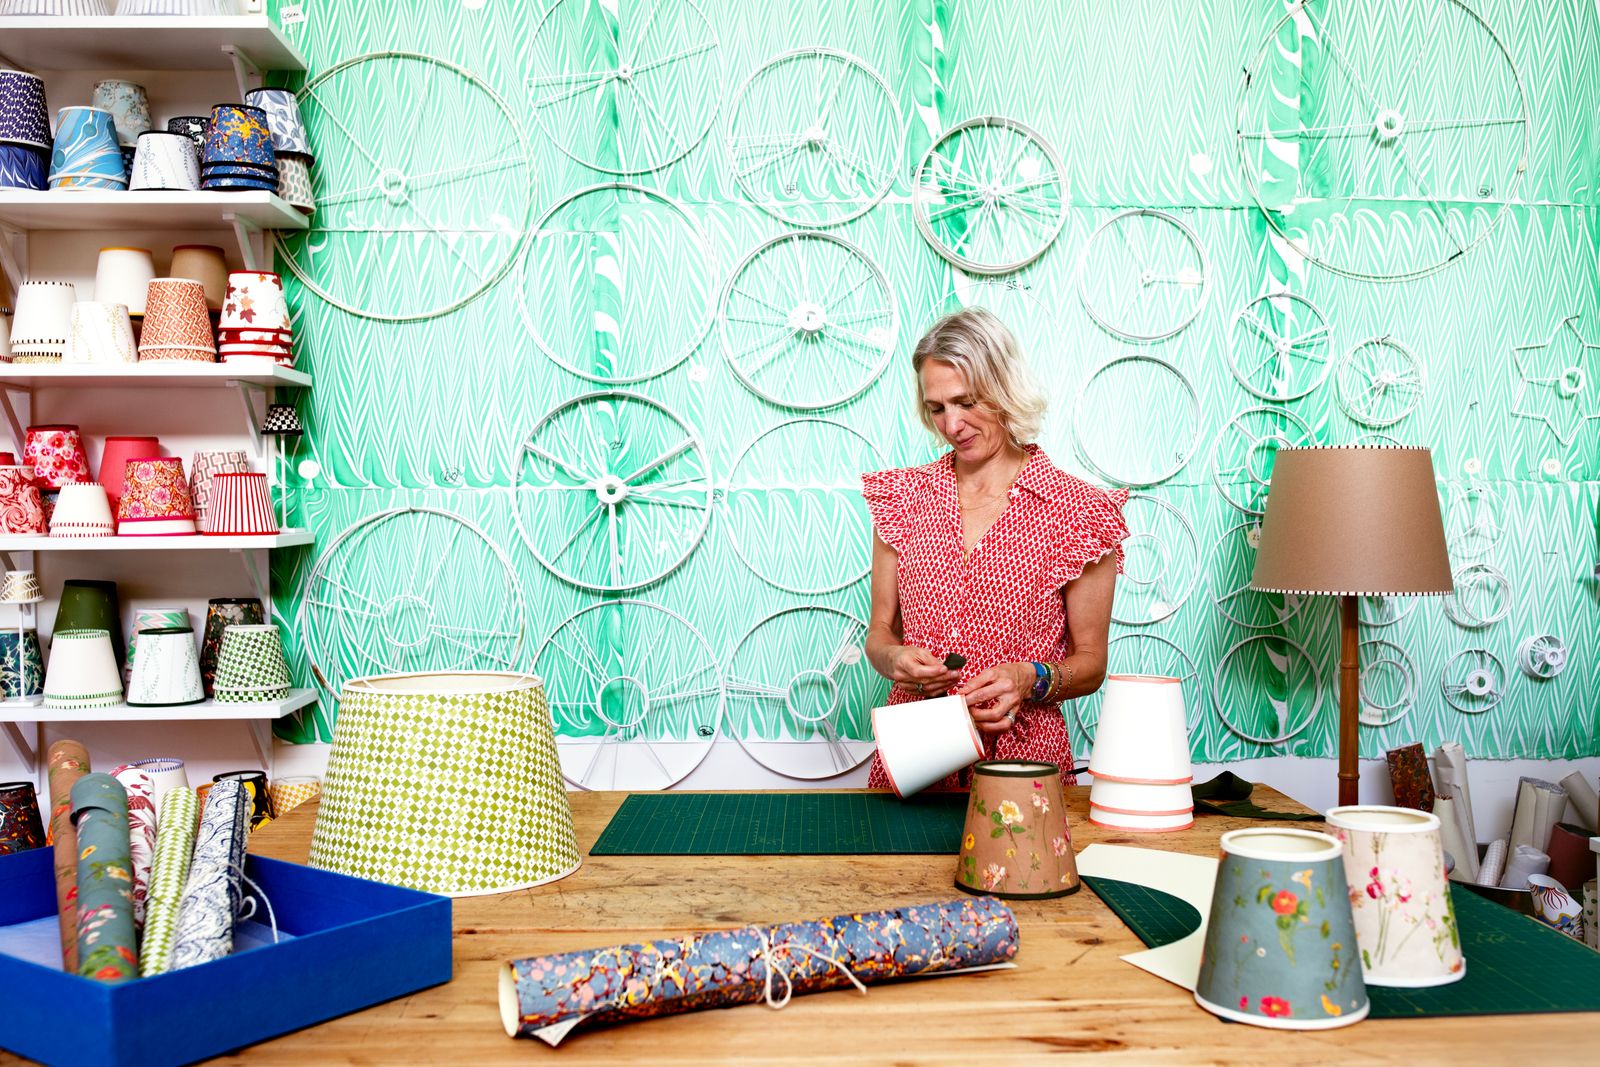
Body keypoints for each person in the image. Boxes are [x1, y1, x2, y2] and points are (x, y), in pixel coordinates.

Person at [861, 308, 1127, 790]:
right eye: (937, 407)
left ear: (1003, 389)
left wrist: (1031, 678)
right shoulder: (900, 500)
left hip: (1024, 765)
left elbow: (1091, 662)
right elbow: (880, 632)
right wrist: (894, 661)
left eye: (967, 401)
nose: (952, 424)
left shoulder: (1079, 511)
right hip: (916, 755)